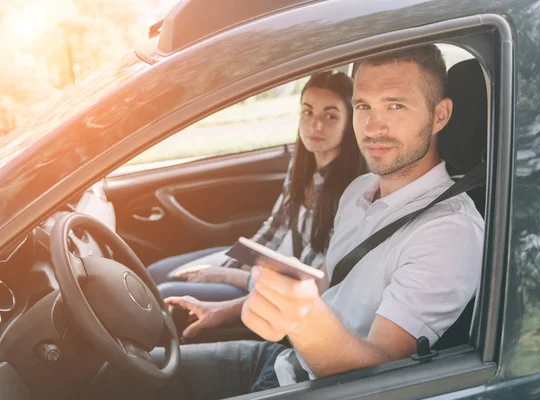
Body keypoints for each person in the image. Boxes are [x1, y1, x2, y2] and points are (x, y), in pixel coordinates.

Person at [90, 44, 484, 400]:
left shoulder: (449, 233)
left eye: (395, 106)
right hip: (283, 357)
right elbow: (328, 285)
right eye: (364, 106)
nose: (373, 127)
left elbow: (380, 378)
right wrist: (226, 311)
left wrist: (304, 323)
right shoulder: (360, 190)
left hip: (317, 385)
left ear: (440, 115)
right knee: (116, 375)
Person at [147, 71, 365, 306]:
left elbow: (310, 279)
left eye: (330, 116)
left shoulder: (353, 190)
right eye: (307, 111)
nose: (315, 125)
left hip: (281, 288)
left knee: (165, 292)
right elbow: (274, 228)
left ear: (349, 123)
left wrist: (230, 275)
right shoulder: (302, 166)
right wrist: (234, 261)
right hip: (267, 265)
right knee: (155, 272)